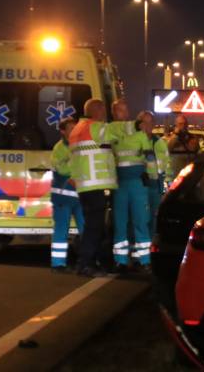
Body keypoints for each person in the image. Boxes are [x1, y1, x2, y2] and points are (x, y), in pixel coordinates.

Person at [69, 98, 136, 277]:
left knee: (93, 226)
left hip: (85, 186)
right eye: (104, 112)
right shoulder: (94, 127)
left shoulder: (77, 129)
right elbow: (116, 130)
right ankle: (86, 264)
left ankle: (92, 262)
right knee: (94, 227)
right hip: (95, 185)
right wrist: (137, 124)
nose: (105, 116)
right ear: (97, 111)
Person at [110, 100, 153, 272]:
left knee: (141, 221)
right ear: (114, 113)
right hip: (120, 183)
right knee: (120, 223)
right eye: (120, 111)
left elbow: (149, 158)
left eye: (125, 110)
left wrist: (151, 179)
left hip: (137, 182)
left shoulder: (139, 133)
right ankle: (120, 259)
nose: (124, 113)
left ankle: (143, 260)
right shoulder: (111, 131)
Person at [49, 117, 84, 272]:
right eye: (71, 128)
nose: (74, 131)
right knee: (61, 231)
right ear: (62, 131)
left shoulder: (80, 146)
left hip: (80, 196)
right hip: (64, 197)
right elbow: (62, 169)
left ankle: (86, 261)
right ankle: (58, 264)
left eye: (75, 128)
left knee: (86, 229)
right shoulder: (59, 149)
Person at [137, 110, 171, 235]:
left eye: (151, 122)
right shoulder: (133, 142)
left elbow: (167, 164)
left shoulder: (160, 143)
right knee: (140, 218)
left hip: (156, 186)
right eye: (145, 123)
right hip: (140, 185)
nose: (148, 126)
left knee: (153, 219)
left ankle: (149, 246)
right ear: (139, 124)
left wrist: (166, 183)